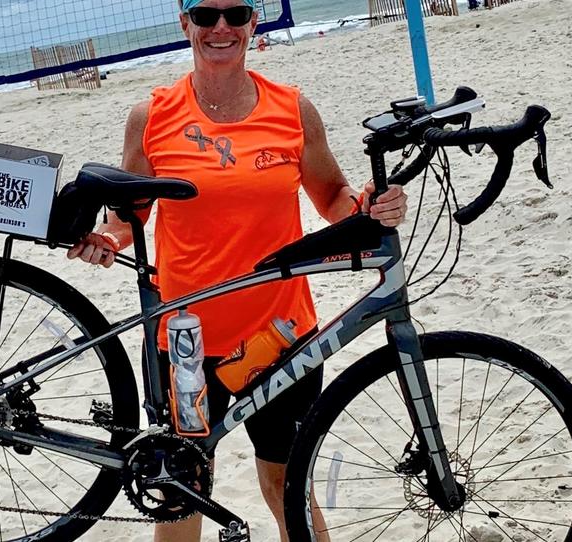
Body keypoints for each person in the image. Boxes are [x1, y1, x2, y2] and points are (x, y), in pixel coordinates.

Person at [67, 0, 408, 540]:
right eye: (205, 15)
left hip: (281, 334)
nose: (220, 27)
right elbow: (127, 219)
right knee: (181, 494)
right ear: (185, 25)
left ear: (254, 23)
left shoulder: (293, 110)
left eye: (236, 13)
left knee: (285, 485)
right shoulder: (151, 116)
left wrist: (370, 207)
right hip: (185, 342)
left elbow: (334, 198)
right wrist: (106, 240)